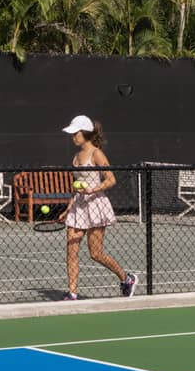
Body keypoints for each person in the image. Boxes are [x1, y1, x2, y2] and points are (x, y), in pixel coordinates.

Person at [58, 114, 137, 300]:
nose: (73, 137)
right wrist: (68, 208)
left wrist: (93, 189)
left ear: (85, 133)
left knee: (96, 253)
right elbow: (75, 188)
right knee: (71, 250)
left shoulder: (97, 154)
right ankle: (72, 292)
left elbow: (111, 179)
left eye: (75, 133)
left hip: (95, 205)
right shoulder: (76, 157)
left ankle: (127, 278)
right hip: (78, 207)